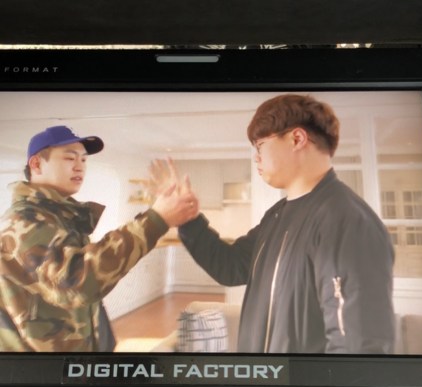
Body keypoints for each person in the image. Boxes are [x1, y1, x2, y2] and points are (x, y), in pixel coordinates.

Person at [162, 94, 396, 354]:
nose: (256, 157)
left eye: (260, 145)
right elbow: (230, 266)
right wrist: (189, 221)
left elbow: (357, 348)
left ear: (297, 139)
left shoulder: (346, 221)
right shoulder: (277, 215)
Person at [0, 125, 198, 352]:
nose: (79, 166)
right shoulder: (24, 221)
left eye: (84, 160)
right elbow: (77, 282)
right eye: (69, 158)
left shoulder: (55, 217)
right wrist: (156, 220)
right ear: (36, 164)